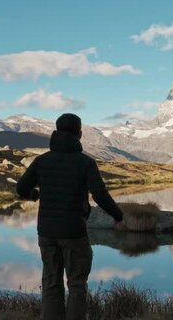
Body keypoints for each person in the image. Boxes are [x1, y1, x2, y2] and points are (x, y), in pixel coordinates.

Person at [16, 113, 126, 320]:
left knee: (50, 282)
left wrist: (34, 195)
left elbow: (21, 188)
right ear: (80, 134)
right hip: (74, 232)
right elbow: (100, 195)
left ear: (56, 132)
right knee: (76, 284)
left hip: (46, 232)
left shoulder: (42, 161)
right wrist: (118, 216)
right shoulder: (85, 163)